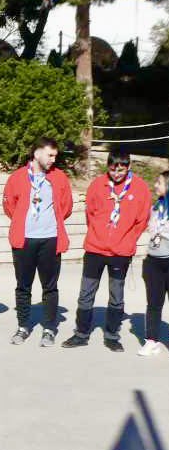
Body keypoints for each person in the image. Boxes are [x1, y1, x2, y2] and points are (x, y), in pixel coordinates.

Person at [62, 149, 151, 352]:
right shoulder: (98, 185)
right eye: (112, 169)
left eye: (121, 169)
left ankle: (112, 336)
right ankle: (81, 334)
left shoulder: (140, 188)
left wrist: (127, 239)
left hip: (121, 252)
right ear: (108, 167)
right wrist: (99, 233)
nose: (117, 173)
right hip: (95, 249)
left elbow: (142, 220)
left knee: (116, 295)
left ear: (128, 167)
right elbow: (90, 213)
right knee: (86, 293)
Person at [2, 136, 73, 347]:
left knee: (50, 286)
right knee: (23, 286)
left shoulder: (59, 177)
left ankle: (49, 328)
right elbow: (9, 206)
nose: (53, 159)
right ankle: (23, 326)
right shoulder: (16, 178)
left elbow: (66, 207)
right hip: (24, 239)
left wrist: (47, 222)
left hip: (50, 239)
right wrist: (24, 222)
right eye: (50, 155)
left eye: (55, 156)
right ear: (37, 154)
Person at [139, 171, 169, 357]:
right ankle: (151, 341)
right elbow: (151, 230)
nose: (155, 186)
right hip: (153, 262)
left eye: (159, 183)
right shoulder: (156, 207)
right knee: (154, 304)